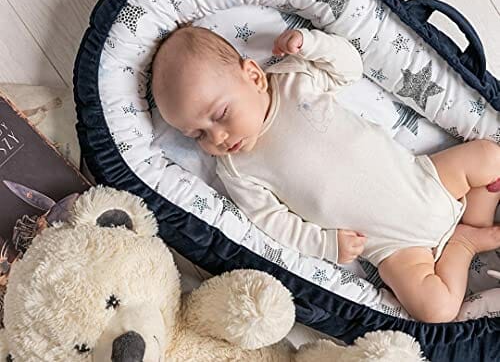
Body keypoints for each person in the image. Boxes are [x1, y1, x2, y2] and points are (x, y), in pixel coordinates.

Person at [151, 24, 500, 322]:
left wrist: (311, 43)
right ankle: (464, 244)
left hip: (425, 178)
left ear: (254, 77)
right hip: (394, 246)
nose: (217, 138)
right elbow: (273, 222)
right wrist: (326, 245)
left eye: (220, 115)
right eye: (197, 135)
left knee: (490, 156)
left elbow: (349, 67)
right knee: (436, 309)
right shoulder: (237, 170)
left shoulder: (293, 80)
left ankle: (476, 221)